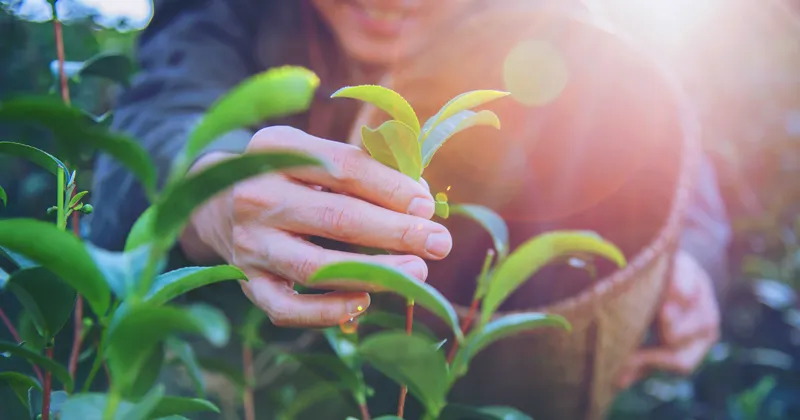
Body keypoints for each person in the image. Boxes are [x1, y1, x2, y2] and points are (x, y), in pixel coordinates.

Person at [87, 0, 729, 416]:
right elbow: (163, 114)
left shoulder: (564, 27)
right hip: (285, 368)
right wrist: (217, 189)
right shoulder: (226, 14)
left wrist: (687, 265)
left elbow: (677, 165)